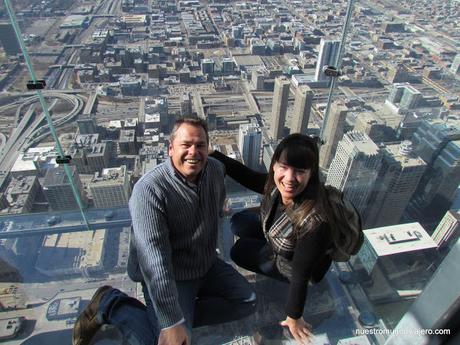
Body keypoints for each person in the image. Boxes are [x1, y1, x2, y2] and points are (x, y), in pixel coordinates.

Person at [73, 118, 256, 345]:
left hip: (205, 263)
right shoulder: (149, 190)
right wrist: (171, 321)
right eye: (186, 145)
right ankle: (110, 302)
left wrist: (179, 321)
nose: (194, 152)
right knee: (160, 341)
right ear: (170, 149)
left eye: (200, 145)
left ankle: (178, 320)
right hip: (170, 272)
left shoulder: (216, 170)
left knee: (248, 301)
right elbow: (154, 259)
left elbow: (216, 208)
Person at [210, 133, 338, 345]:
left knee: (238, 251)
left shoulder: (316, 221)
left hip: (295, 262)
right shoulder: (276, 185)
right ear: (274, 166)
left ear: (311, 174)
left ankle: (271, 251)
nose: (289, 178)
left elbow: (300, 273)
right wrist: (215, 154)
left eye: (299, 171)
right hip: (283, 236)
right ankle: (271, 245)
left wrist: (294, 316)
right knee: (238, 221)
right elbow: (249, 177)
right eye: (283, 167)